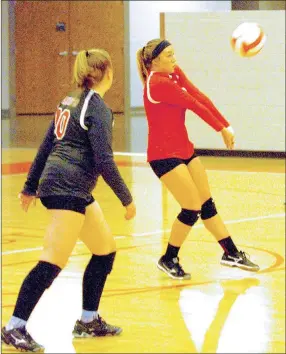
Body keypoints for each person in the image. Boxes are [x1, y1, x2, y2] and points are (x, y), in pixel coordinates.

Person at [1, 48, 136, 352]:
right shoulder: (97, 107)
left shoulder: (69, 101)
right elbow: (104, 159)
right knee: (52, 260)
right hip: (68, 186)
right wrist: (127, 199)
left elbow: (46, 144)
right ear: (109, 73)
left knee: (104, 250)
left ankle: (88, 320)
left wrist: (30, 185)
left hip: (67, 185)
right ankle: (14, 327)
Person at [136, 38, 259, 280]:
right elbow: (191, 104)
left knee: (206, 204)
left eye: (174, 54)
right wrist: (219, 129)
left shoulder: (173, 73)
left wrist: (226, 124)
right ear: (155, 61)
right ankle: (168, 258)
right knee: (191, 207)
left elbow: (199, 96)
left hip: (184, 149)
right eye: (169, 56)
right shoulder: (158, 83)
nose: (174, 59)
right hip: (163, 155)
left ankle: (231, 253)